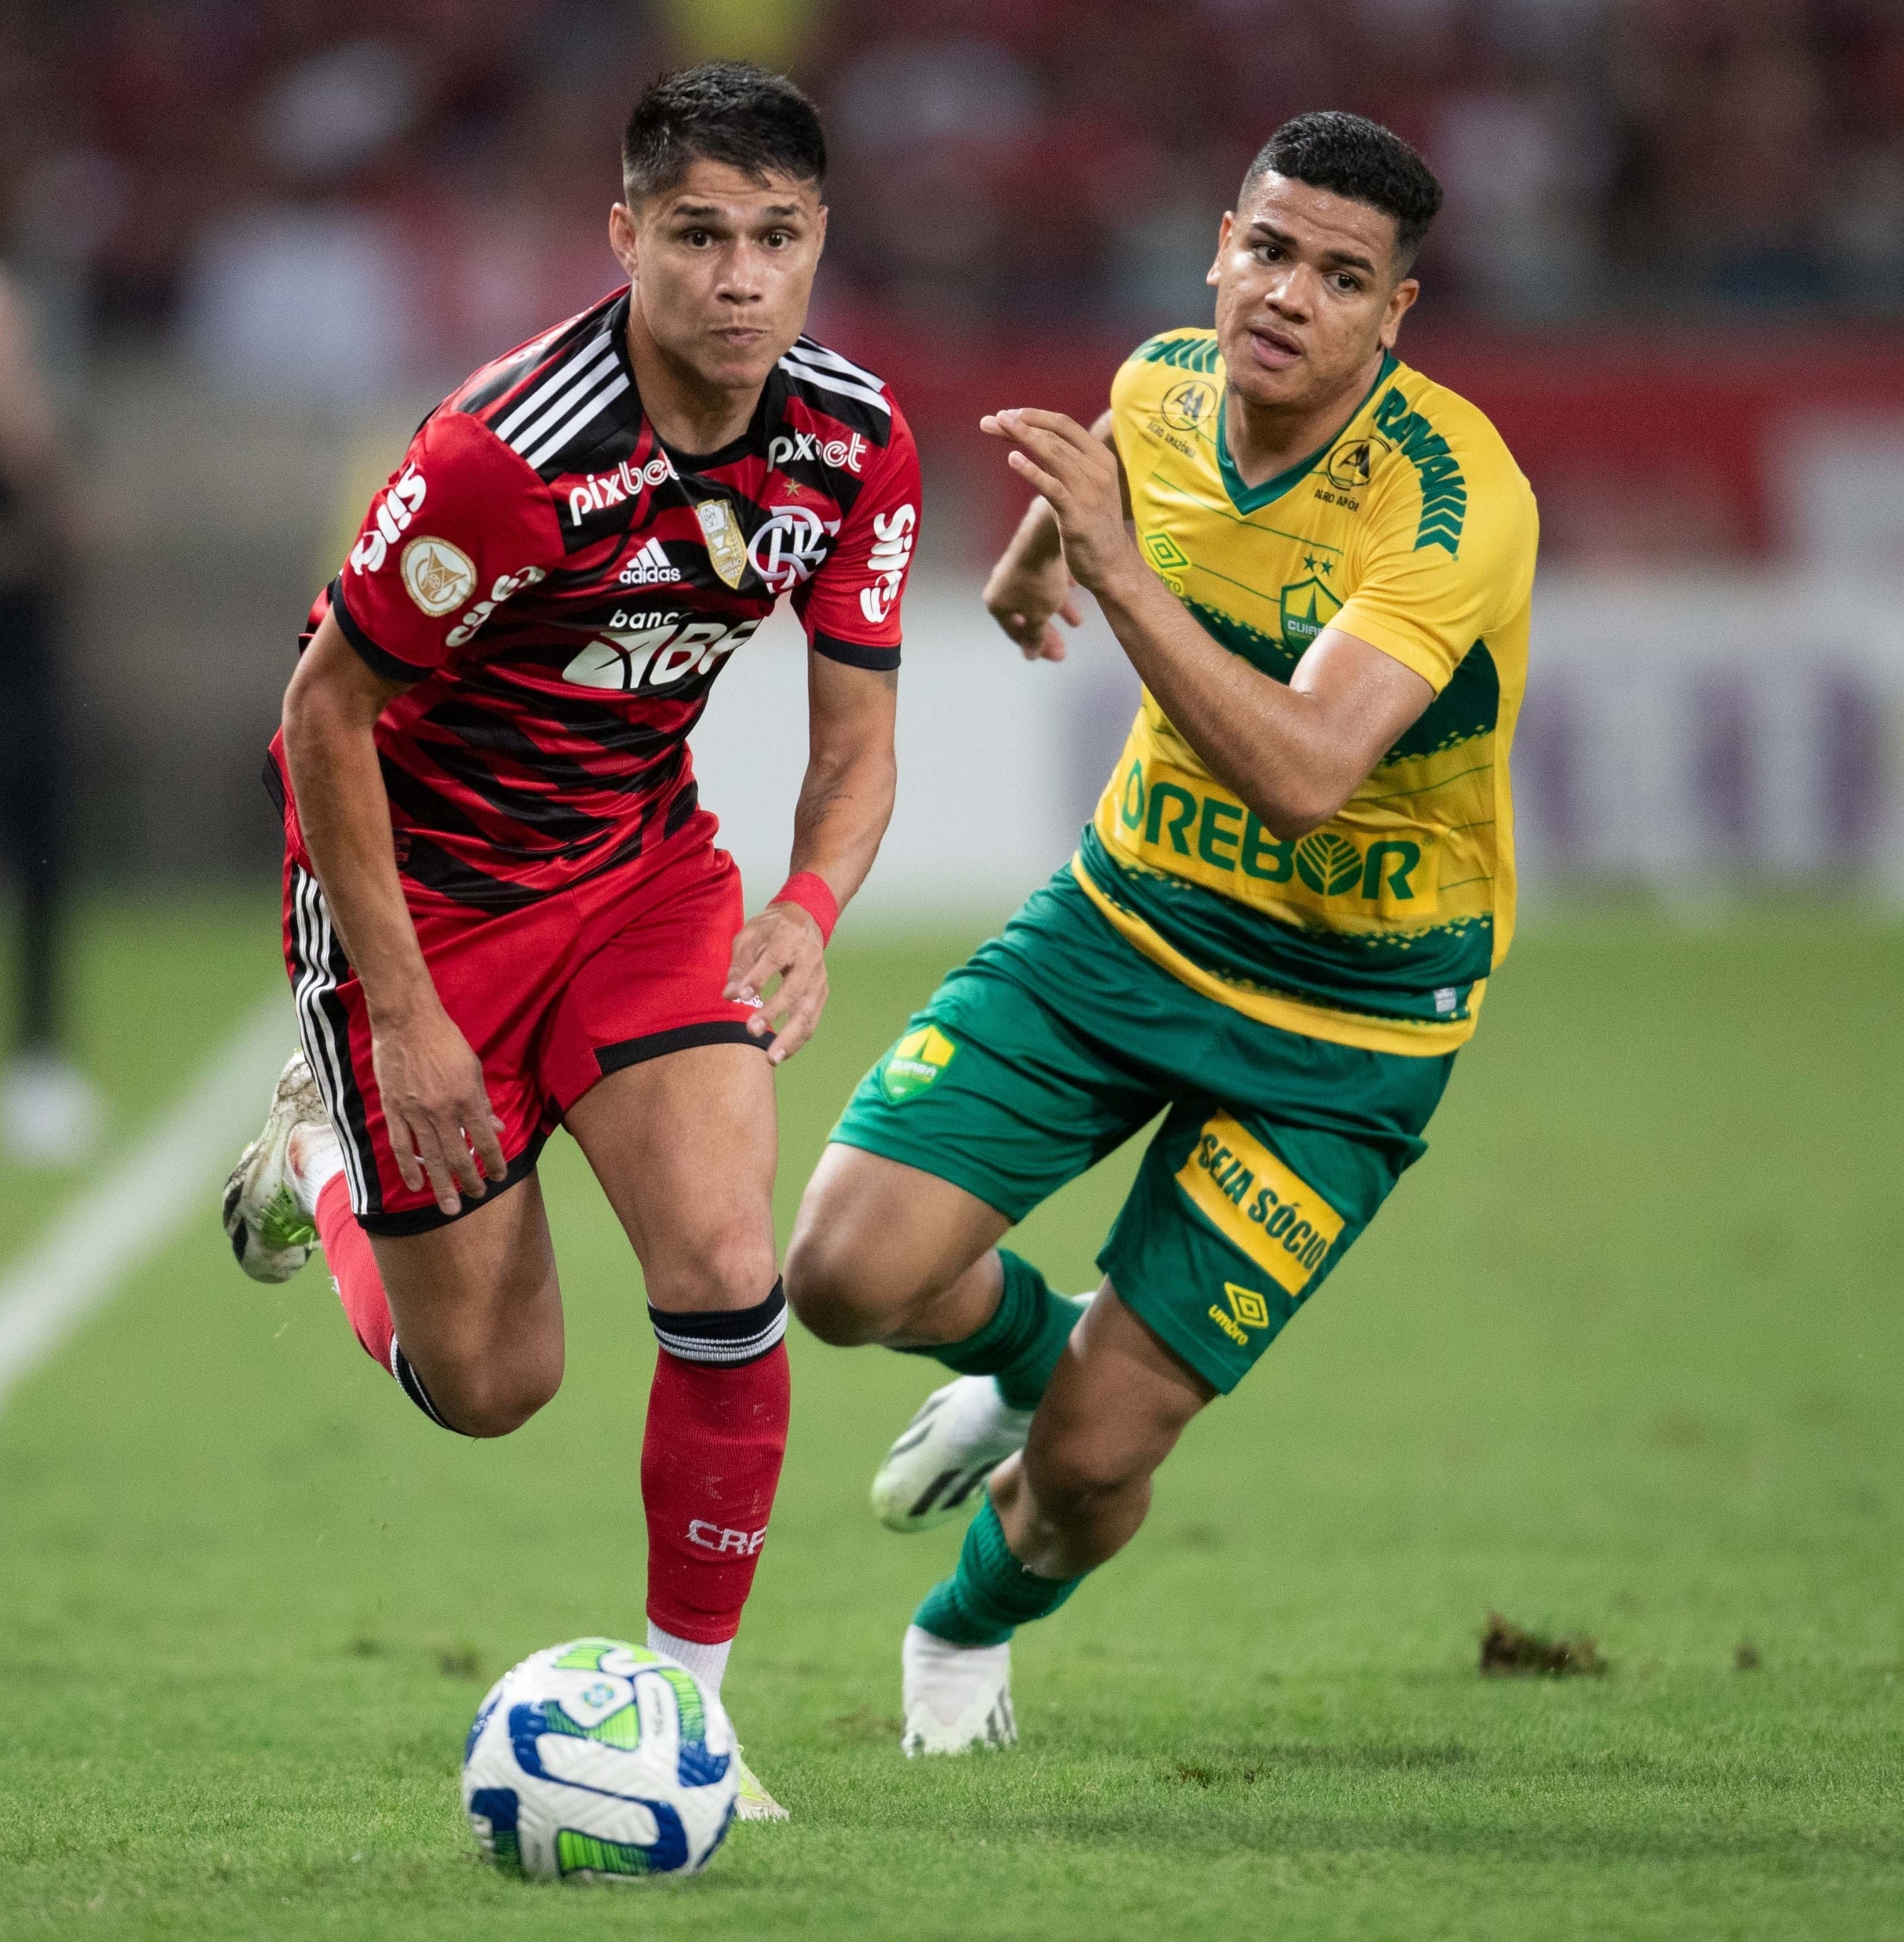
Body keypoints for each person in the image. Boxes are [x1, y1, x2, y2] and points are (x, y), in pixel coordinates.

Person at [783, 112, 1538, 1755]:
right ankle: (1020, 1342)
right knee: (835, 1274)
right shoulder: (1157, 386)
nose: (1289, 297)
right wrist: (1032, 564)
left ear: (1393, 316)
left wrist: (1108, 572)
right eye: (1269, 251)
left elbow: (1307, 775)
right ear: (1218, 246)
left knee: (1088, 1466)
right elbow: (1113, 488)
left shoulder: (1448, 499)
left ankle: (962, 1628)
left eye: (1343, 278)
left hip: (1349, 1026)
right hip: (1123, 929)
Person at [221, 63, 919, 1818]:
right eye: (698, 235)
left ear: (819, 240)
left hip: (634, 878)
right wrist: (396, 1012)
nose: (740, 278)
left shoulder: (849, 444)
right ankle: (319, 1153)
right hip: (421, 902)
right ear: (623, 238)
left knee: (721, 1268)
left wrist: (809, 907)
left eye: (775, 237)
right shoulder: (508, 457)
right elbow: (320, 720)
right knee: (495, 1385)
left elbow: (854, 747)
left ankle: (691, 1717)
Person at [0, 260, 105, 1166]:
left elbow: (76, 532)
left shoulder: (25, 428)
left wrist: (15, 423)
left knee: (43, 859)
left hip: (25, 670)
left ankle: (39, 1060)